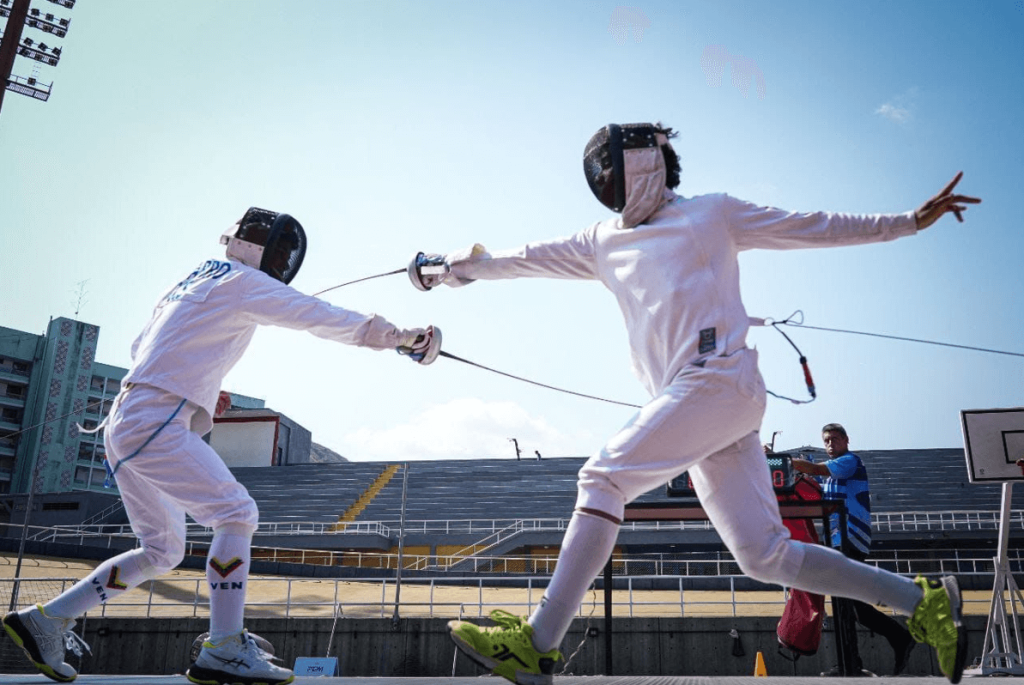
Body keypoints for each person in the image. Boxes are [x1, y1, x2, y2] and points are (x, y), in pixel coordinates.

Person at [409, 122, 980, 685]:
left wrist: (907, 221)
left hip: (719, 382)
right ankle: (922, 602)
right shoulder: (601, 241)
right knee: (764, 555)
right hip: (701, 404)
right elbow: (518, 258)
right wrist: (442, 270)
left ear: (643, 164)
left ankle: (538, 644)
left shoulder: (711, 213)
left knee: (602, 479)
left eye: (610, 167)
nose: (604, 180)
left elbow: (811, 226)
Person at [2, 207, 441, 685]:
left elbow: (144, 349)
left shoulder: (189, 281)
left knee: (161, 551)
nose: (284, 261)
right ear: (269, 249)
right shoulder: (242, 282)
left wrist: (203, 389)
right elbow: (320, 316)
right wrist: (401, 339)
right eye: (282, 252)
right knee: (236, 513)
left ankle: (48, 618)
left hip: (128, 419)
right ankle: (226, 646)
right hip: (155, 421)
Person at [793, 423, 916, 676]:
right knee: (850, 606)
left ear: (846, 440)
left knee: (848, 604)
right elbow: (808, 478)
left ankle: (858, 660)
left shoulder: (849, 461)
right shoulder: (829, 475)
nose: (830, 444)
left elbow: (814, 469)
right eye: (826, 440)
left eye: (835, 439)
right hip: (837, 542)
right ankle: (871, 652)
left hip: (849, 539)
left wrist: (781, 460)